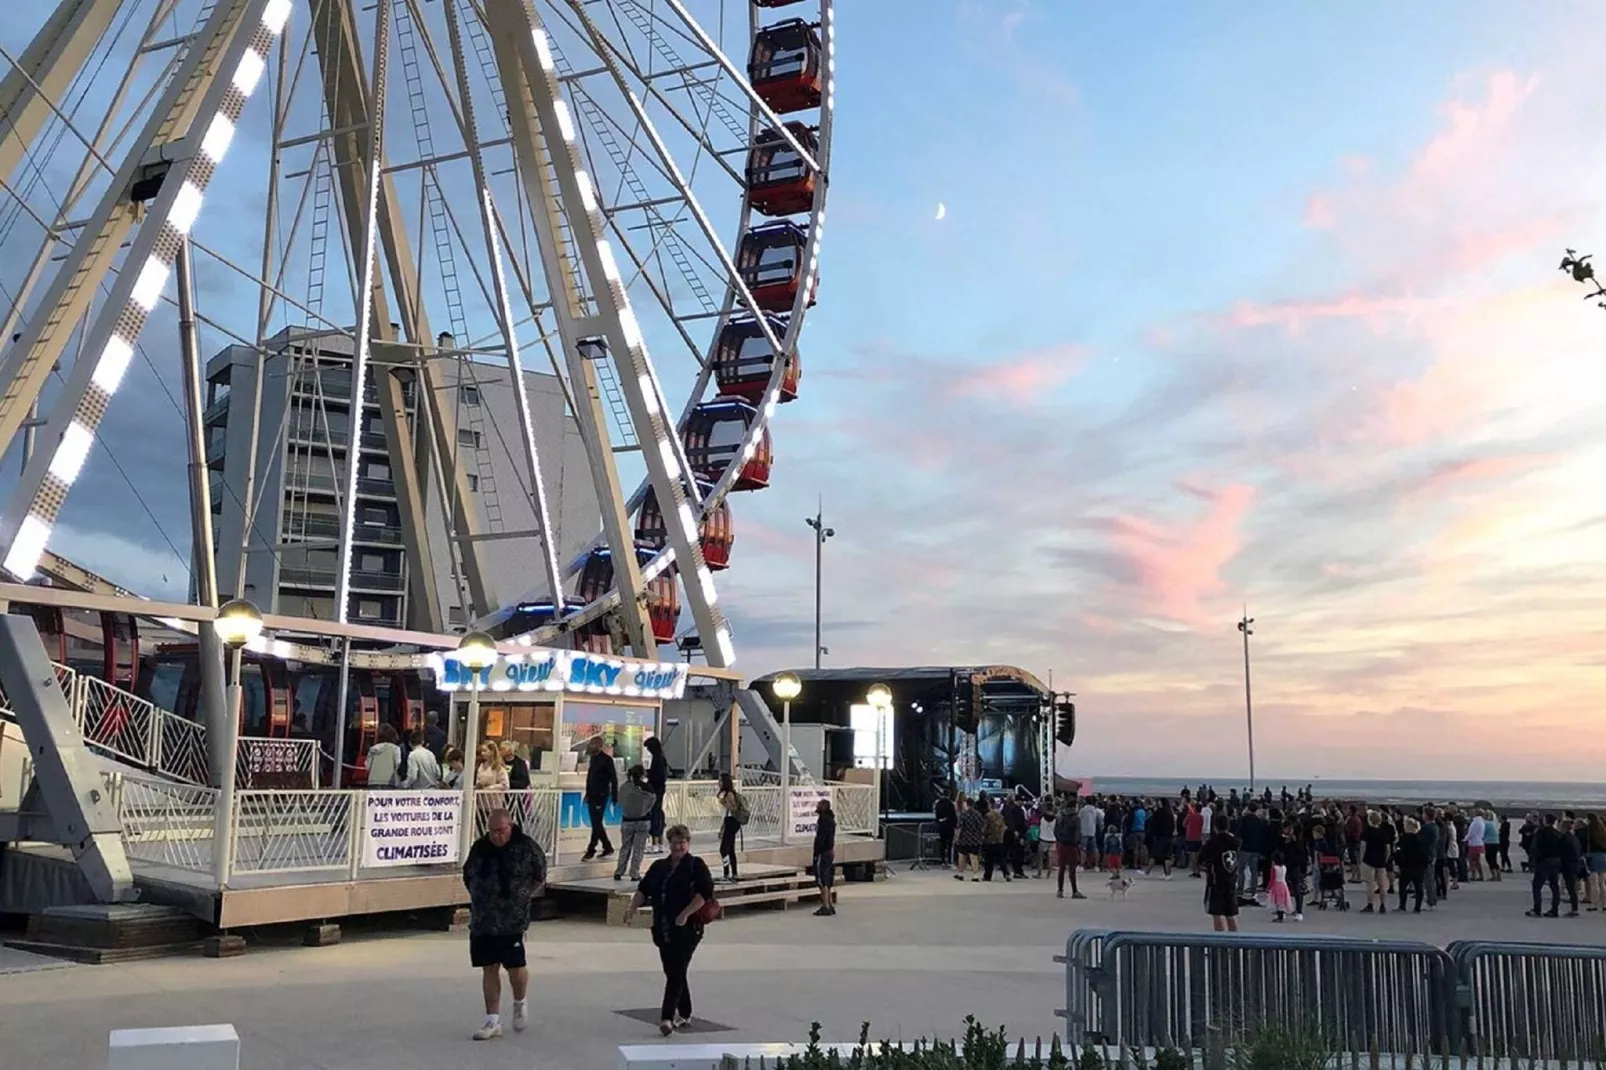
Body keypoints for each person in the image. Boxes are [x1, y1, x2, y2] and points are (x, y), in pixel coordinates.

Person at [462, 807, 547, 1041]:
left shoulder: (526, 847)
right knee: (488, 967)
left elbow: (540, 874)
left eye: (501, 830)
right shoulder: (480, 848)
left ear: (510, 826)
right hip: (483, 919)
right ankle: (492, 1020)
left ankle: (520, 1001)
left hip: (512, 919)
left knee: (515, 967)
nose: (496, 835)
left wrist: (523, 896)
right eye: (492, 832)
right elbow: (468, 875)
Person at [625, 824, 715, 1036]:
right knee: (673, 970)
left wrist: (686, 913)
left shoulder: (696, 865)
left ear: (688, 843)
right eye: (675, 842)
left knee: (676, 971)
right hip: (663, 929)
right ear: (669, 843)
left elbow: (705, 892)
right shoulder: (659, 867)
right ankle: (685, 1011)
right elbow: (643, 889)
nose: (678, 846)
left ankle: (666, 1017)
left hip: (689, 929)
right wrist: (631, 908)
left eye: (682, 842)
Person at [614, 764, 657, 882]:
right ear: (643, 774)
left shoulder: (625, 788)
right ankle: (634, 873)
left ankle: (619, 871)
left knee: (625, 847)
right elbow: (652, 802)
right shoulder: (648, 788)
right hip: (643, 821)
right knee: (638, 849)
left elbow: (620, 801)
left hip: (627, 821)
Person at [1197, 823, 1241, 932]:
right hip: (1231, 881)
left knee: (1216, 913)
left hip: (1216, 882)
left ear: (1215, 828)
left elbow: (1201, 858)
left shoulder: (1212, 843)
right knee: (1230, 914)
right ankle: (1235, 942)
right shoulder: (1235, 842)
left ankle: (1220, 942)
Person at [582, 738, 617, 862]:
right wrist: (587, 792)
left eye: (593, 744)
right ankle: (607, 846)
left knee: (596, 822)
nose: (591, 746)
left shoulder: (607, 760)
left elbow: (613, 779)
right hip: (592, 794)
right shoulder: (593, 759)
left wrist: (614, 796)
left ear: (599, 746)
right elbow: (590, 777)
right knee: (596, 822)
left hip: (601, 794)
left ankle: (591, 849)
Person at [1528, 814, 1564, 918]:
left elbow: (1535, 847)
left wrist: (1534, 862)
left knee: (1537, 886)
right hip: (1556, 860)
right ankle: (1554, 909)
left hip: (1544, 860)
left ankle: (1537, 909)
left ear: (1545, 821)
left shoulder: (1541, 832)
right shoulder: (1558, 833)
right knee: (1554, 885)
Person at [1359, 810, 1394, 914]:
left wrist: (1361, 859)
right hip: (1381, 861)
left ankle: (1370, 905)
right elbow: (1388, 848)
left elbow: (1363, 847)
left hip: (1368, 859)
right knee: (1382, 884)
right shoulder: (1384, 832)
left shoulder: (1366, 832)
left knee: (1370, 884)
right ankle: (1382, 905)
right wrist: (1386, 859)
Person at [1396, 816, 1431, 913]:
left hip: (1407, 866)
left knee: (1403, 885)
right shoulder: (1421, 839)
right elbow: (1426, 853)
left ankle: (1402, 905)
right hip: (1419, 866)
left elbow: (1399, 852)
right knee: (1418, 886)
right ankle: (1417, 907)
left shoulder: (1404, 839)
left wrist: (1398, 863)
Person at [1053, 797, 1085, 899]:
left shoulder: (1060, 816)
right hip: (1072, 846)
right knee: (1072, 869)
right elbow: (1078, 833)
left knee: (1061, 868)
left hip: (1062, 844)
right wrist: (1078, 843)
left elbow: (1055, 830)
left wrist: (1059, 839)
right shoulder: (1076, 818)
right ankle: (1074, 891)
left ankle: (1060, 890)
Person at [715, 773, 744, 882]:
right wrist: (722, 828)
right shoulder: (725, 794)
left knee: (723, 849)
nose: (719, 783)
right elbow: (725, 815)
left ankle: (726, 873)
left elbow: (734, 809)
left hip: (732, 822)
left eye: (720, 781)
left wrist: (724, 803)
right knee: (730, 849)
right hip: (728, 822)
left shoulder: (729, 794)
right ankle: (734, 873)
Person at [644, 736, 669, 854]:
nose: (648, 750)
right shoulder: (660, 758)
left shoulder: (657, 759)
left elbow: (658, 776)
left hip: (655, 790)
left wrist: (648, 775)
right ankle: (659, 843)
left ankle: (654, 843)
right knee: (658, 814)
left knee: (654, 815)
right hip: (660, 790)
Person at [812, 797, 837, 916]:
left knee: (821, 879)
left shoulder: (823, 820)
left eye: (818, 805)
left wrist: (817, 852)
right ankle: (830, 904)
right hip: (830, 851)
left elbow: (821, 839)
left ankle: (825, 905)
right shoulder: (831, 820)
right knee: (827, 877)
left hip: (823, 852)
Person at [954, 796, 984, 882]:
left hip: (964, 839)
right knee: (974, 857)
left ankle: (960, 874)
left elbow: (959, 827)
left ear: (966, 804)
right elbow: (981, 827)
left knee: (962, 857)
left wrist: (957, 838)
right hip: (975, 839)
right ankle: (975, 875)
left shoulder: (963, 814)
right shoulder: (978, 815)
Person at [980, 795, 1008, 882]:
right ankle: (1006, 874)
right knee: (1002, 858)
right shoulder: (1000, 815)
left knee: (989, 860)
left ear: (989, 805)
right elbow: (1004, 827)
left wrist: (983, 834)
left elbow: (985, 828)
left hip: (990, 840)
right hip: (999, 840)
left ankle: (987, 876)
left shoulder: (988, 816)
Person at [1266, 853, 1294, 922]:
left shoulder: (1274, 868)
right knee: (1282, 901)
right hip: (1283, 884)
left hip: (1277, 885)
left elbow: (1272, 879)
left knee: (1277, 901)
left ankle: (1280, 916)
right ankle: (1281, 915)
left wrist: (1268, 887)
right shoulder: (1284, 867)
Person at [934, 790, 957, 868]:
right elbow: (953, 816)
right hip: (949, 826)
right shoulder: (950, 804)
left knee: (942, 844)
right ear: (949, 795)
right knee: (950, 845)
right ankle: (950, 860)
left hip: (941, 826)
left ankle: (942, 860)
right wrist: (955, 825)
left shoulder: (938, 804)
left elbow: (937, 816)